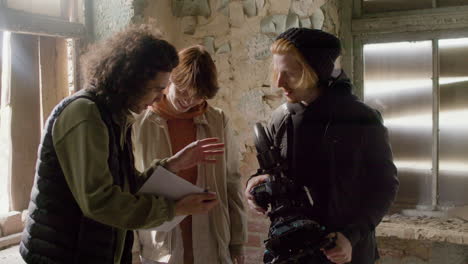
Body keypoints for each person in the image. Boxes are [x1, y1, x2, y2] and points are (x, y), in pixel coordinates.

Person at [19, 26, 223, 264]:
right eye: (157, 89)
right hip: (66, 255)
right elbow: (101, 202)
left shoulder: (114, 114)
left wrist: (172, 164)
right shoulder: (86, 114)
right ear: (132, 79)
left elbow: (124, 187)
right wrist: (174, 208)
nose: (160, 97)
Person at [245, 28, 399, 264]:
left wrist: (351, 236)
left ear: (315, 72)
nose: (279, 82)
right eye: (277, 72)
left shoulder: (361, 118)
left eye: (291, 74)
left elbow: (384, 186)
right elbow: (273, 172)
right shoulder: (281, 117)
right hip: (292, 252)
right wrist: (255, 183)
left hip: (345, 253)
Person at [133, 45, 247, 264]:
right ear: (169, 80)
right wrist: (131, 252)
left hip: (211, 233)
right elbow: (129, 188)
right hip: (160, 239)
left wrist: (237, 241)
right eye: (183, 91)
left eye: (198, 96)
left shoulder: (217, 121)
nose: (188, 100)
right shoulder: (141, 123)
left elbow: (231, 181)